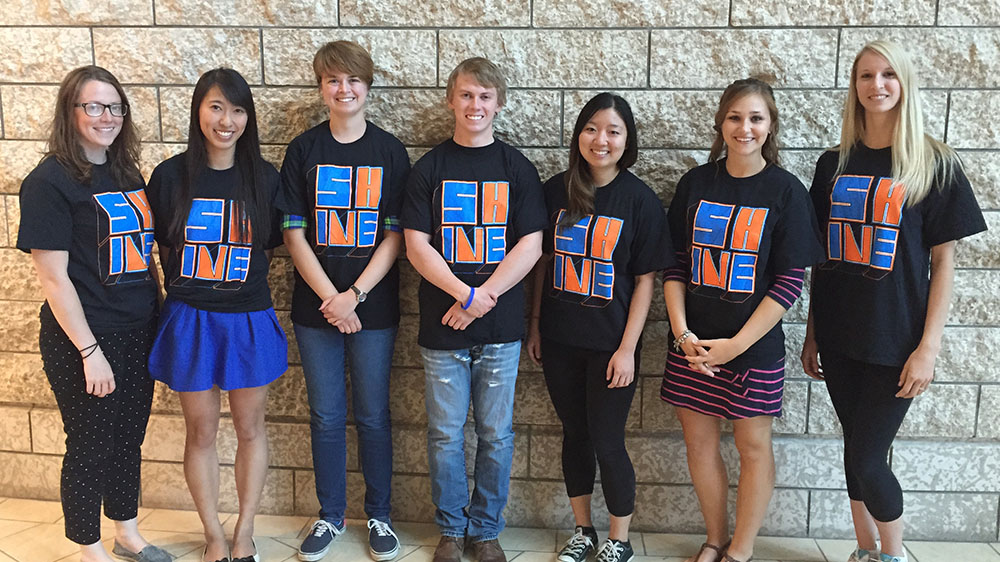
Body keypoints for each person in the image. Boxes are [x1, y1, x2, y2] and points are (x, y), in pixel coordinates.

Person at [800, 41, 986, 562]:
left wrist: (928, 348)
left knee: (868, 455)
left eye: (888, 75)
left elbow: (945, 263)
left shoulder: (932, 162)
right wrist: (813, 332)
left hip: (896, 340)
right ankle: (863, 551)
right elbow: (822, 258)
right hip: (838, 336)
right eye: (865, 75)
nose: (876, 85)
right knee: (854, 452)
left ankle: (893, 555)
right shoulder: (831, 165)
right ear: (854, 86)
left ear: (904, 84)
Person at [660, 78, 825, 562]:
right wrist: (682, 333)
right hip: (690, 346)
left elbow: (790, 284)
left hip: (753, 349)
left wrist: (734, 345)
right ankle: (714, 539)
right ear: (721, 122)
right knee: (700, 447)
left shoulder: (786, 192)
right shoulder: (695, 183)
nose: (744, 127)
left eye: (755, 118)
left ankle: (742, 549)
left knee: (752, 448)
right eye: (735, 117)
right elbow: (674, 266)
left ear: (769, 126)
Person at [16, 65, 171, 562]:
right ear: (71, 110)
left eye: (116, 107)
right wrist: (89, 351)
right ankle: (89, 547)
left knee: (128, 438)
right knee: (89, 444)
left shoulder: (126, 172)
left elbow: (145, 253)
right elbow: (54, 278)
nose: (108, 117)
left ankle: (127, 532)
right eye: (94, 106)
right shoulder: (48, 182)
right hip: (84, 339)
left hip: (137, 330)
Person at [400, 57, 547, 562]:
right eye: (466, 95)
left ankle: (485, 532)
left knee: (495, 434)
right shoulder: (430, 169)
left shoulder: (517, 168)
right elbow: (416, 246)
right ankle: (451, 529)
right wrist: (465, 295)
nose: (475, 105)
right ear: (451, 100)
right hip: (444, 330)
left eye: (485, 97)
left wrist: (481, 298)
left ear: (499, 103)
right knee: (444, 434)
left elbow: (530, 245)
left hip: (502, 331)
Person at [145, 68, 287, 562]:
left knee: (251, 429)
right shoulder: (168, 176)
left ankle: (245, 530)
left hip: (248, 318)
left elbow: (273, 245)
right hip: (190, 319)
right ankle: (212, 533)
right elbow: (156, 246)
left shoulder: (266, 179)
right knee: (201, 432)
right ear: (198, 111)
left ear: (249, 117)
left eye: (238, 109)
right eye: (216, 107)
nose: (227, 120)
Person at [526, 93, 674, 562]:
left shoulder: (640, 200)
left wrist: (628, 348)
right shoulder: (555, 191)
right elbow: (540, 264)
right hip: (559, 339)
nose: (601, 139)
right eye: (591, 128)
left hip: (611, 346)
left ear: (626, 140)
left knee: (608, 439)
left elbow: (646, 281)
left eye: (613, 130)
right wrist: (534, 326)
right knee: (575, 433)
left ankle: (619, 538)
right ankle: (583, 530)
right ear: (578, 135)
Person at [275, 40, 408, 562]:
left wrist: (355, 295)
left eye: (353, 80)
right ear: (321, 89)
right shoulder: (303, 150)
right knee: (326, 415)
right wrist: (333, 298)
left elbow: (396, 237)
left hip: (372, 309)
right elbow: (293, 234)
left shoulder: (390, 152)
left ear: (367, 87)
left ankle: (381, 516)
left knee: (374, 415)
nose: (344, 89)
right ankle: (331, 516)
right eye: (333, 80)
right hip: (317, 310)